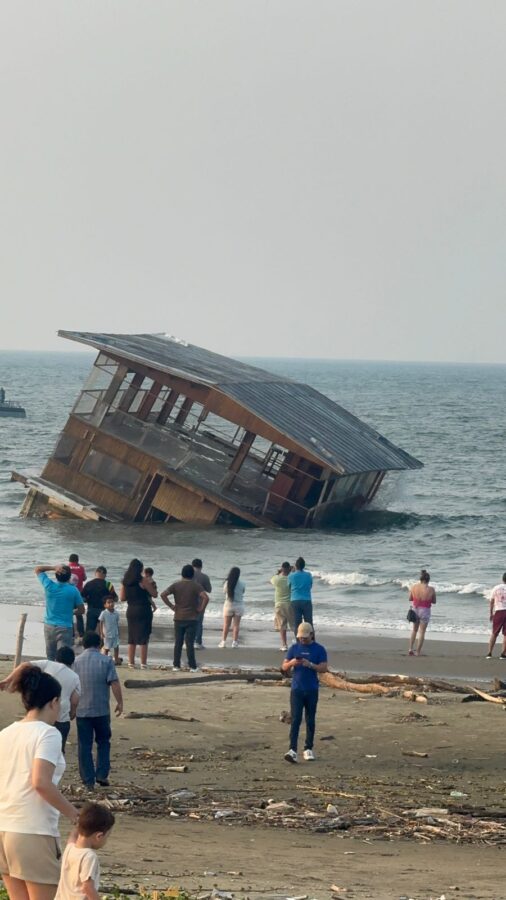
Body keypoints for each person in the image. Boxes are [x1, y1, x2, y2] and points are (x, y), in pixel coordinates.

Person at [0, 665, 79, 900]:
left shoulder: (6, 733)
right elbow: (41, 782)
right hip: (32, 829)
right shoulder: (48, 733)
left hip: (4, 827)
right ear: (54, 702)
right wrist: (75, 814)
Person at [4, 648, 81, 753]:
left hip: (41, 710)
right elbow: (75, 700)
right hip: (62, 716)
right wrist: (72, 713)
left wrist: (7, 680)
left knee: (37, 745)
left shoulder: (47, 664)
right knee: (58, 749)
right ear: (72, 662)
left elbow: (24, 665)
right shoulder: (75, 676)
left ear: (56, 658)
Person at [73, 632, 123, 790]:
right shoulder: (106, 660)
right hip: (101, 709)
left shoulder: (76, 662)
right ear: (99, 644)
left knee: (84, 745)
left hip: (82, 710)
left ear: (84, 645)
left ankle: (88, 780)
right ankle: (101, 774)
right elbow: (114, 682)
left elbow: (72, 686)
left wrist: (71, 707)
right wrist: (120, 702)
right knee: (103, 742)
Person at [281, 622, 328, 763]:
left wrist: (311, 665)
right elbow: (283, 667)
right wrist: (291, 664)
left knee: (310, 719)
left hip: (312, 689)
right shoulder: (294, 648)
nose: (302, 640)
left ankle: (308, 748)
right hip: (297, 689)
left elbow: (324, 668)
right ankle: (292, 749)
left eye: (305, 638)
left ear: (311, 635)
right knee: (295, 720)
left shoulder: (319, 649)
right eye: (300, 637)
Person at [55, 802, 115, 900]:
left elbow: (72, 836)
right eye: (107, 836)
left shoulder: (70, 848)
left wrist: (78, 823)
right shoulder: (89, 856)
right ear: (99, 836)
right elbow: (87, 887)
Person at [160, 565, 209, 672]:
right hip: (192, 618)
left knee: (178, 642)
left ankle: (176, 665)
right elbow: (206, 597)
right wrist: (200, 608)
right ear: (192, 574)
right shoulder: (196, 586)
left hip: (178, 617)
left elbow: (163, 595)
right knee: (189, 643)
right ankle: (192, 666)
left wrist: (172, 606)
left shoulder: (176, 585)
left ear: (182, 574)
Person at [36, 564, 85, 661]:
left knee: (50, 656)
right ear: (69, 577)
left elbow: (38, 569)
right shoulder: (73, 590)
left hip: (49, 625)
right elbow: (82, 610)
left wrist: (53, 567)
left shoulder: (49, 585)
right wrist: (71, 612)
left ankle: (50, 674)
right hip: (65, 627)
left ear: (56, 575)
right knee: (63, 658)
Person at [119, 559, 158, 669]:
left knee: (132, 637)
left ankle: (131, 663)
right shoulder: (143, 580)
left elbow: (122, 598)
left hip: (131, 609)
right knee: (143, 637)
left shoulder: (125, 581)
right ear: (140, 569)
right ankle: (143, 664)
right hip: (143, 609)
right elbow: (154, 594)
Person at [407, 569, 437, 656]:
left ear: (420, 579)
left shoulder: (414, 587)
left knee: (414, 630)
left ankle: (410, 649)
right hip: (425, 611)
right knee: (422, 632)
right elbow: (434, 601)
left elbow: (410, 599)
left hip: (415, 609)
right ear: (428, 580)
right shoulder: (431, 589)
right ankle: (418, 652)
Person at [81, 567, 118, 633]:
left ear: (96, 573)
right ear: (105, 574)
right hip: (105, 611)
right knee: (105, 632)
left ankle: (89, 642)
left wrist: (87, 600)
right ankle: (102, 642)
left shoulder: (89, 584)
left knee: (90, 632)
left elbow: (82, 598)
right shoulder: (108, 585)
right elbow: (116, 598)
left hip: (91, 610)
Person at [220, 567, 245, 648]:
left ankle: (223, 642)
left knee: (226, 624)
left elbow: (224, 592)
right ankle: (234, 642)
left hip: (229, 604)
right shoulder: (242, 583)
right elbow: (243, 592)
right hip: (239, 605)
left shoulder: (227, 583)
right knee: (236, 625)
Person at [270, 562, 294, 651]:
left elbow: (271, 580)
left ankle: (284, 645)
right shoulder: (291, 578)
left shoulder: (276, 578)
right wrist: (293, 571)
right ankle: (298, 642)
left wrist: (278, 572)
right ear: (289, 569)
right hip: (289, 603)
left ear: (282, 568)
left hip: (279, 604)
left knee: (282, 625)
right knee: (294, 625)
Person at [287, 557, 314, 633]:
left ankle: (299, 642)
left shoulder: (291, 576)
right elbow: (310, 586)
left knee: (297, 624)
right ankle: (311, 642)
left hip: (295, 600)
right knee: (309, 623)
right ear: (304, 566)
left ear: (296, 566)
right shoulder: (308, 575)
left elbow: (289, 587)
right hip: (306, 600)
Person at [192, 558, 212, 650]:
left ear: (192, 566)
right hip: (200, 602)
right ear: (201, 566)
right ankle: (198, 642)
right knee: (199, 622)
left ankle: (187, 641)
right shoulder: (204, 577)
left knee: (188, 622)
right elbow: (209, 590)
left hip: (188, 601)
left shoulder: (188, 575)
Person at [486, 573, 506, 659]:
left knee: (494, 633)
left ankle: (489, 653)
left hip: (498, 611)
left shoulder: (496, 588)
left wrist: (491, 613)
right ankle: (503, 654)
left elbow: (492, 601)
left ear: (503, 579)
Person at [69, 555, 87, 643]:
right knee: (79, 614)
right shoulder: (81, 568)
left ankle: (71, 635)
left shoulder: (66, 567)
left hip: (68, 593)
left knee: (69, 613)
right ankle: (81, 635)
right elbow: (84, 578)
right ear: (77, 560)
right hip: (78, 593)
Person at [99, 596, 121, 665]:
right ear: (105, 605)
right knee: (106, 648)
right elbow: (101, 622)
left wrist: (118, 631)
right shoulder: (104, 613)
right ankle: (104, 660)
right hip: (107, 634)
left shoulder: (116, 613)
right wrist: (101, 633)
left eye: (112, 602)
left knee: (116, 647)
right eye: (108, 602)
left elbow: (117, 623)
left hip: (115, 633)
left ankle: (116, 659)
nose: (111, 604)